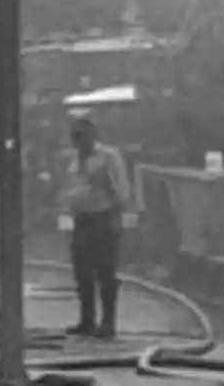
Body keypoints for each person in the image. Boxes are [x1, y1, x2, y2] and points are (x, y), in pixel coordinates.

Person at [61, 116, 130, 339]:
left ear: (92, 136)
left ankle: (108, 323)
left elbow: (119, 189)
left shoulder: (108, 157)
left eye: (82, 137)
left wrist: (116, 216)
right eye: (75, 138)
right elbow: (73, 187)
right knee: (82, 271)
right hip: (82, 220)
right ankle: (87, 320)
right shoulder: (74, 159)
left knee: (105, 272)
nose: (78, 142)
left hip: (103, 219)